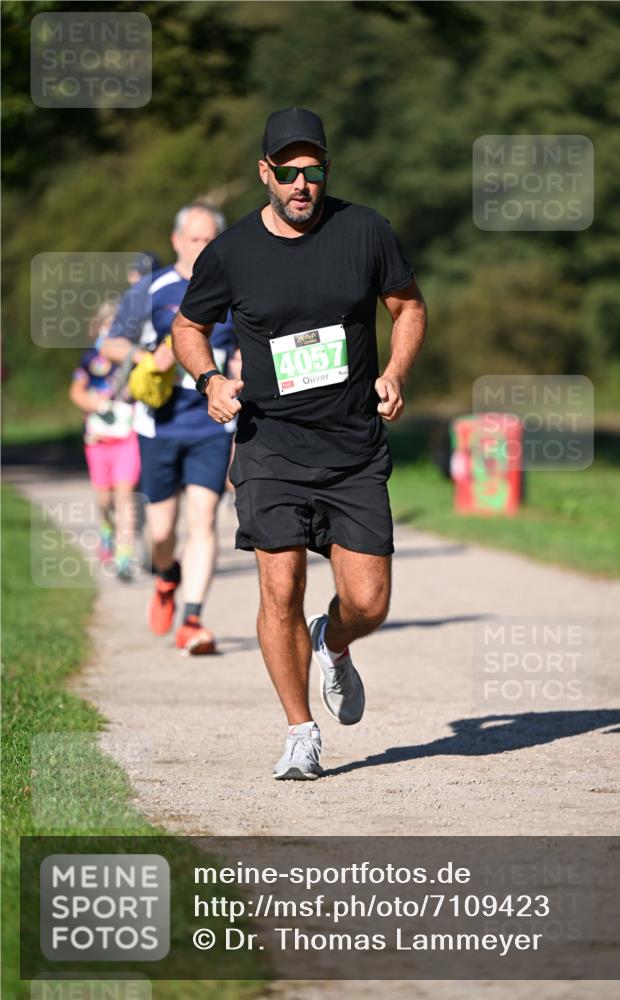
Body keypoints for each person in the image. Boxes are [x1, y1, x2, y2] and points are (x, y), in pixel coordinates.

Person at [172, 108, 427, 777]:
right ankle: (298, 730)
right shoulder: (231, 252)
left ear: (325, 172)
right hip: (270, 446)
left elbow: (408, 306)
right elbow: (188, 326)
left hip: (351, 447)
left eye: (311, 171)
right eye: (287, 172)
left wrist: (395, 372)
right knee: (278, 588)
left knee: (368, 602)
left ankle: (332, 643)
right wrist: (207, 381)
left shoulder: (365, 231)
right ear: (265, 173)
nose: (300, 184)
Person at [101, 203, 239, 654]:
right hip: (158, 423)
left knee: (203, 520)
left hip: (211, 423)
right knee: (161, 532)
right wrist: (146, 359)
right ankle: (165, 579)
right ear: (177, 241)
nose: (200, 248)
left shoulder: (233, 287)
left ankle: (193, 619)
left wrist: (240, 366)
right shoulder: (151, 289)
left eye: (208, 241)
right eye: (193, 240)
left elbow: (245, 343)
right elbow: (114, 341)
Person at [69, 299, 141, 581]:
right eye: (109, 325)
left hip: (127, 436)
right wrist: (92, 402)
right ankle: (106, 530)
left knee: (125, 496)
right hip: (99, 438)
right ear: (98, 327)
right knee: (105, 498)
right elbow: (76, 392)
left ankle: (124, 556)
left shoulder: (134, 360)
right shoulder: (90, 359)